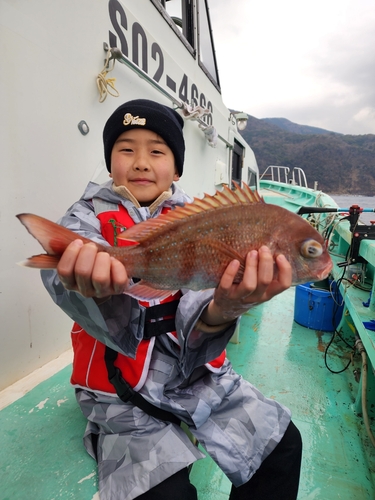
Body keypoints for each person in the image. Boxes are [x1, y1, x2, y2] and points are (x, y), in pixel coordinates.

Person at [41, 99, 302, 500]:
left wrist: (226, 308)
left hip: (194, 377)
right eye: (126, 149)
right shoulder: (85, 218)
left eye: (157, 151)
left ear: (176, 168)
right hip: (118, 393)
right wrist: (85, 283)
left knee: (283, 447)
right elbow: (60, 278)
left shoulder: (197, 218)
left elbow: (198, 307)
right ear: (110, 161)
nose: (141, 162)